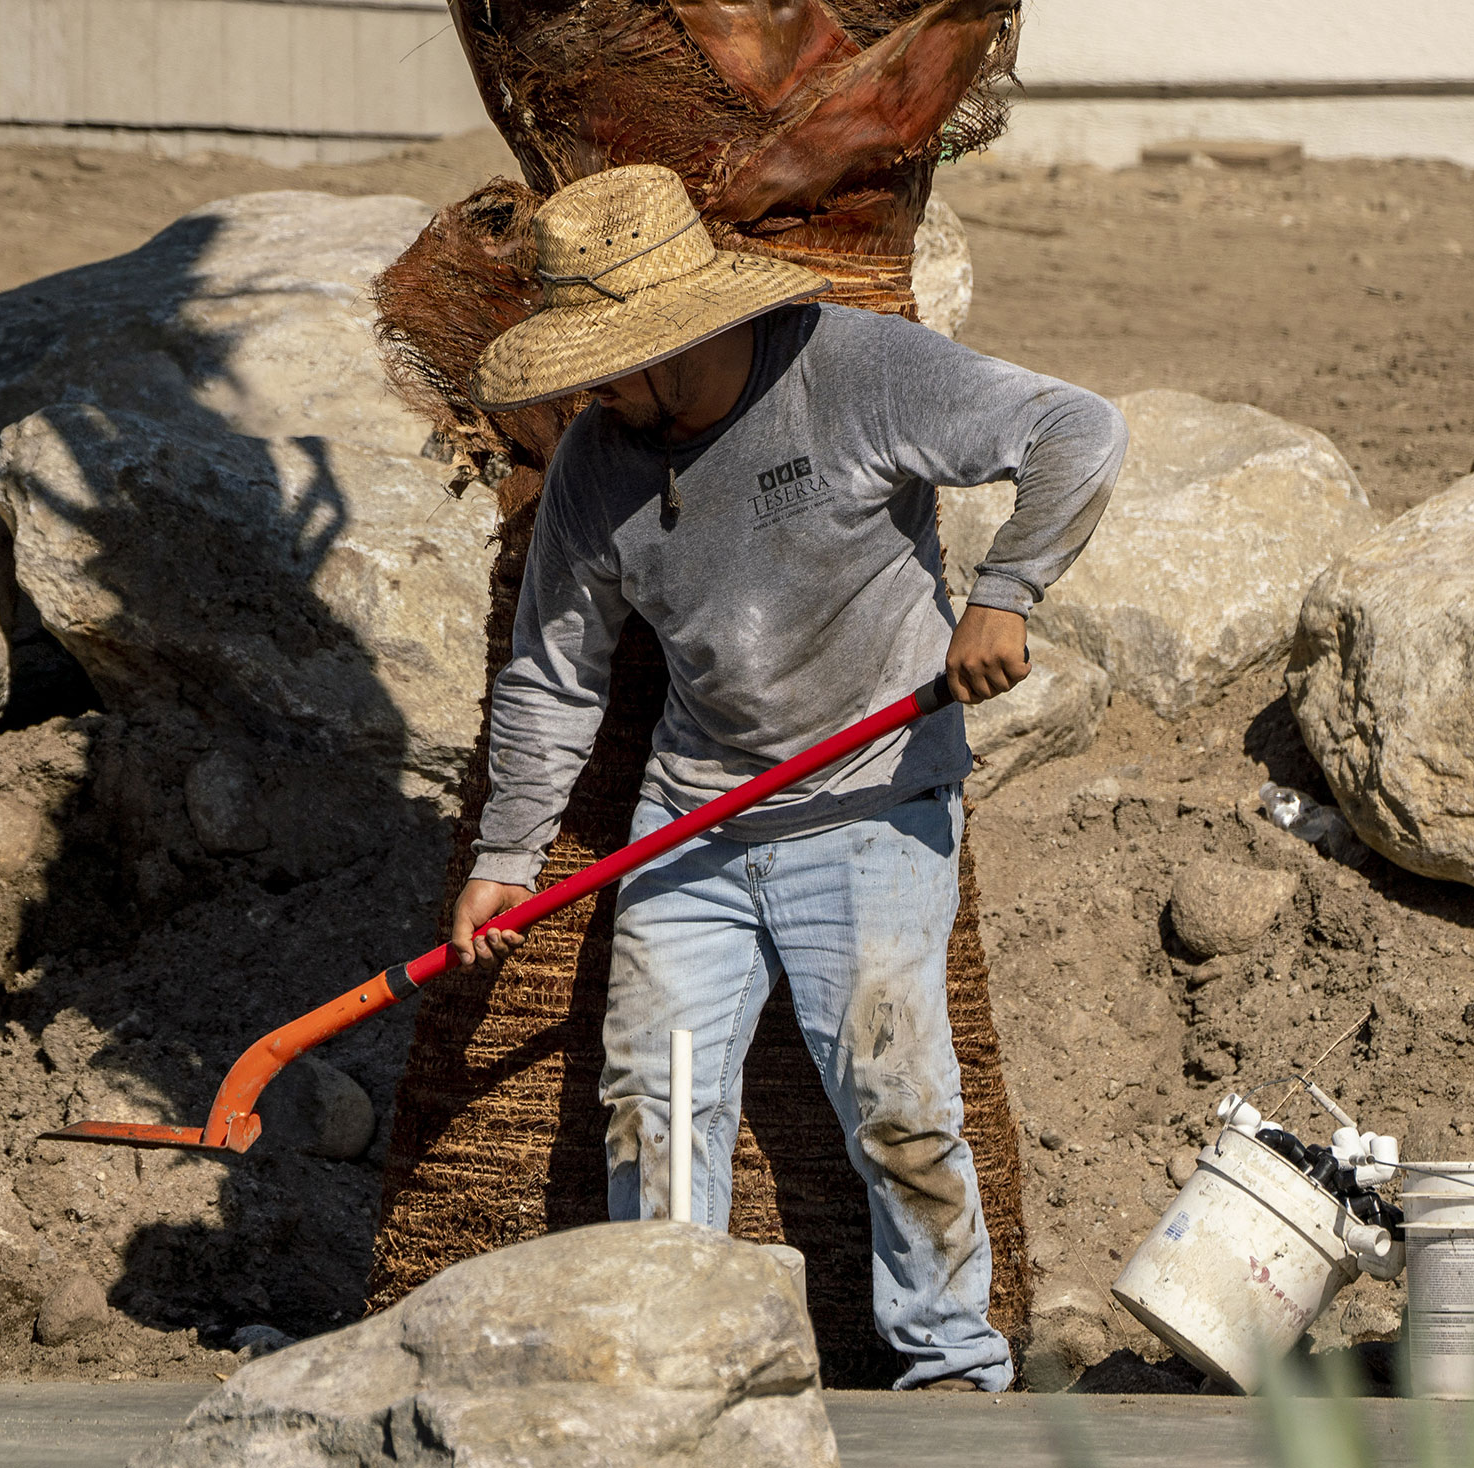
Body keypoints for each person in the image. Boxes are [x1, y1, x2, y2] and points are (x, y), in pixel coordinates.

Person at [448, 163, 1125, 1391]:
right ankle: (674, 1370)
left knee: (897, 1102)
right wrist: (503, 859)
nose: (593, 393)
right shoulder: (601, 464)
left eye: (608, 363)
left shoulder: (856, 371)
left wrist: (1004, 596)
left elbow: (1078, 429)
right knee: (653, 1102)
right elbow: (555, 676)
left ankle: (953, 1368)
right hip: (688, 824)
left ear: (681, 335)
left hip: (870, 802)